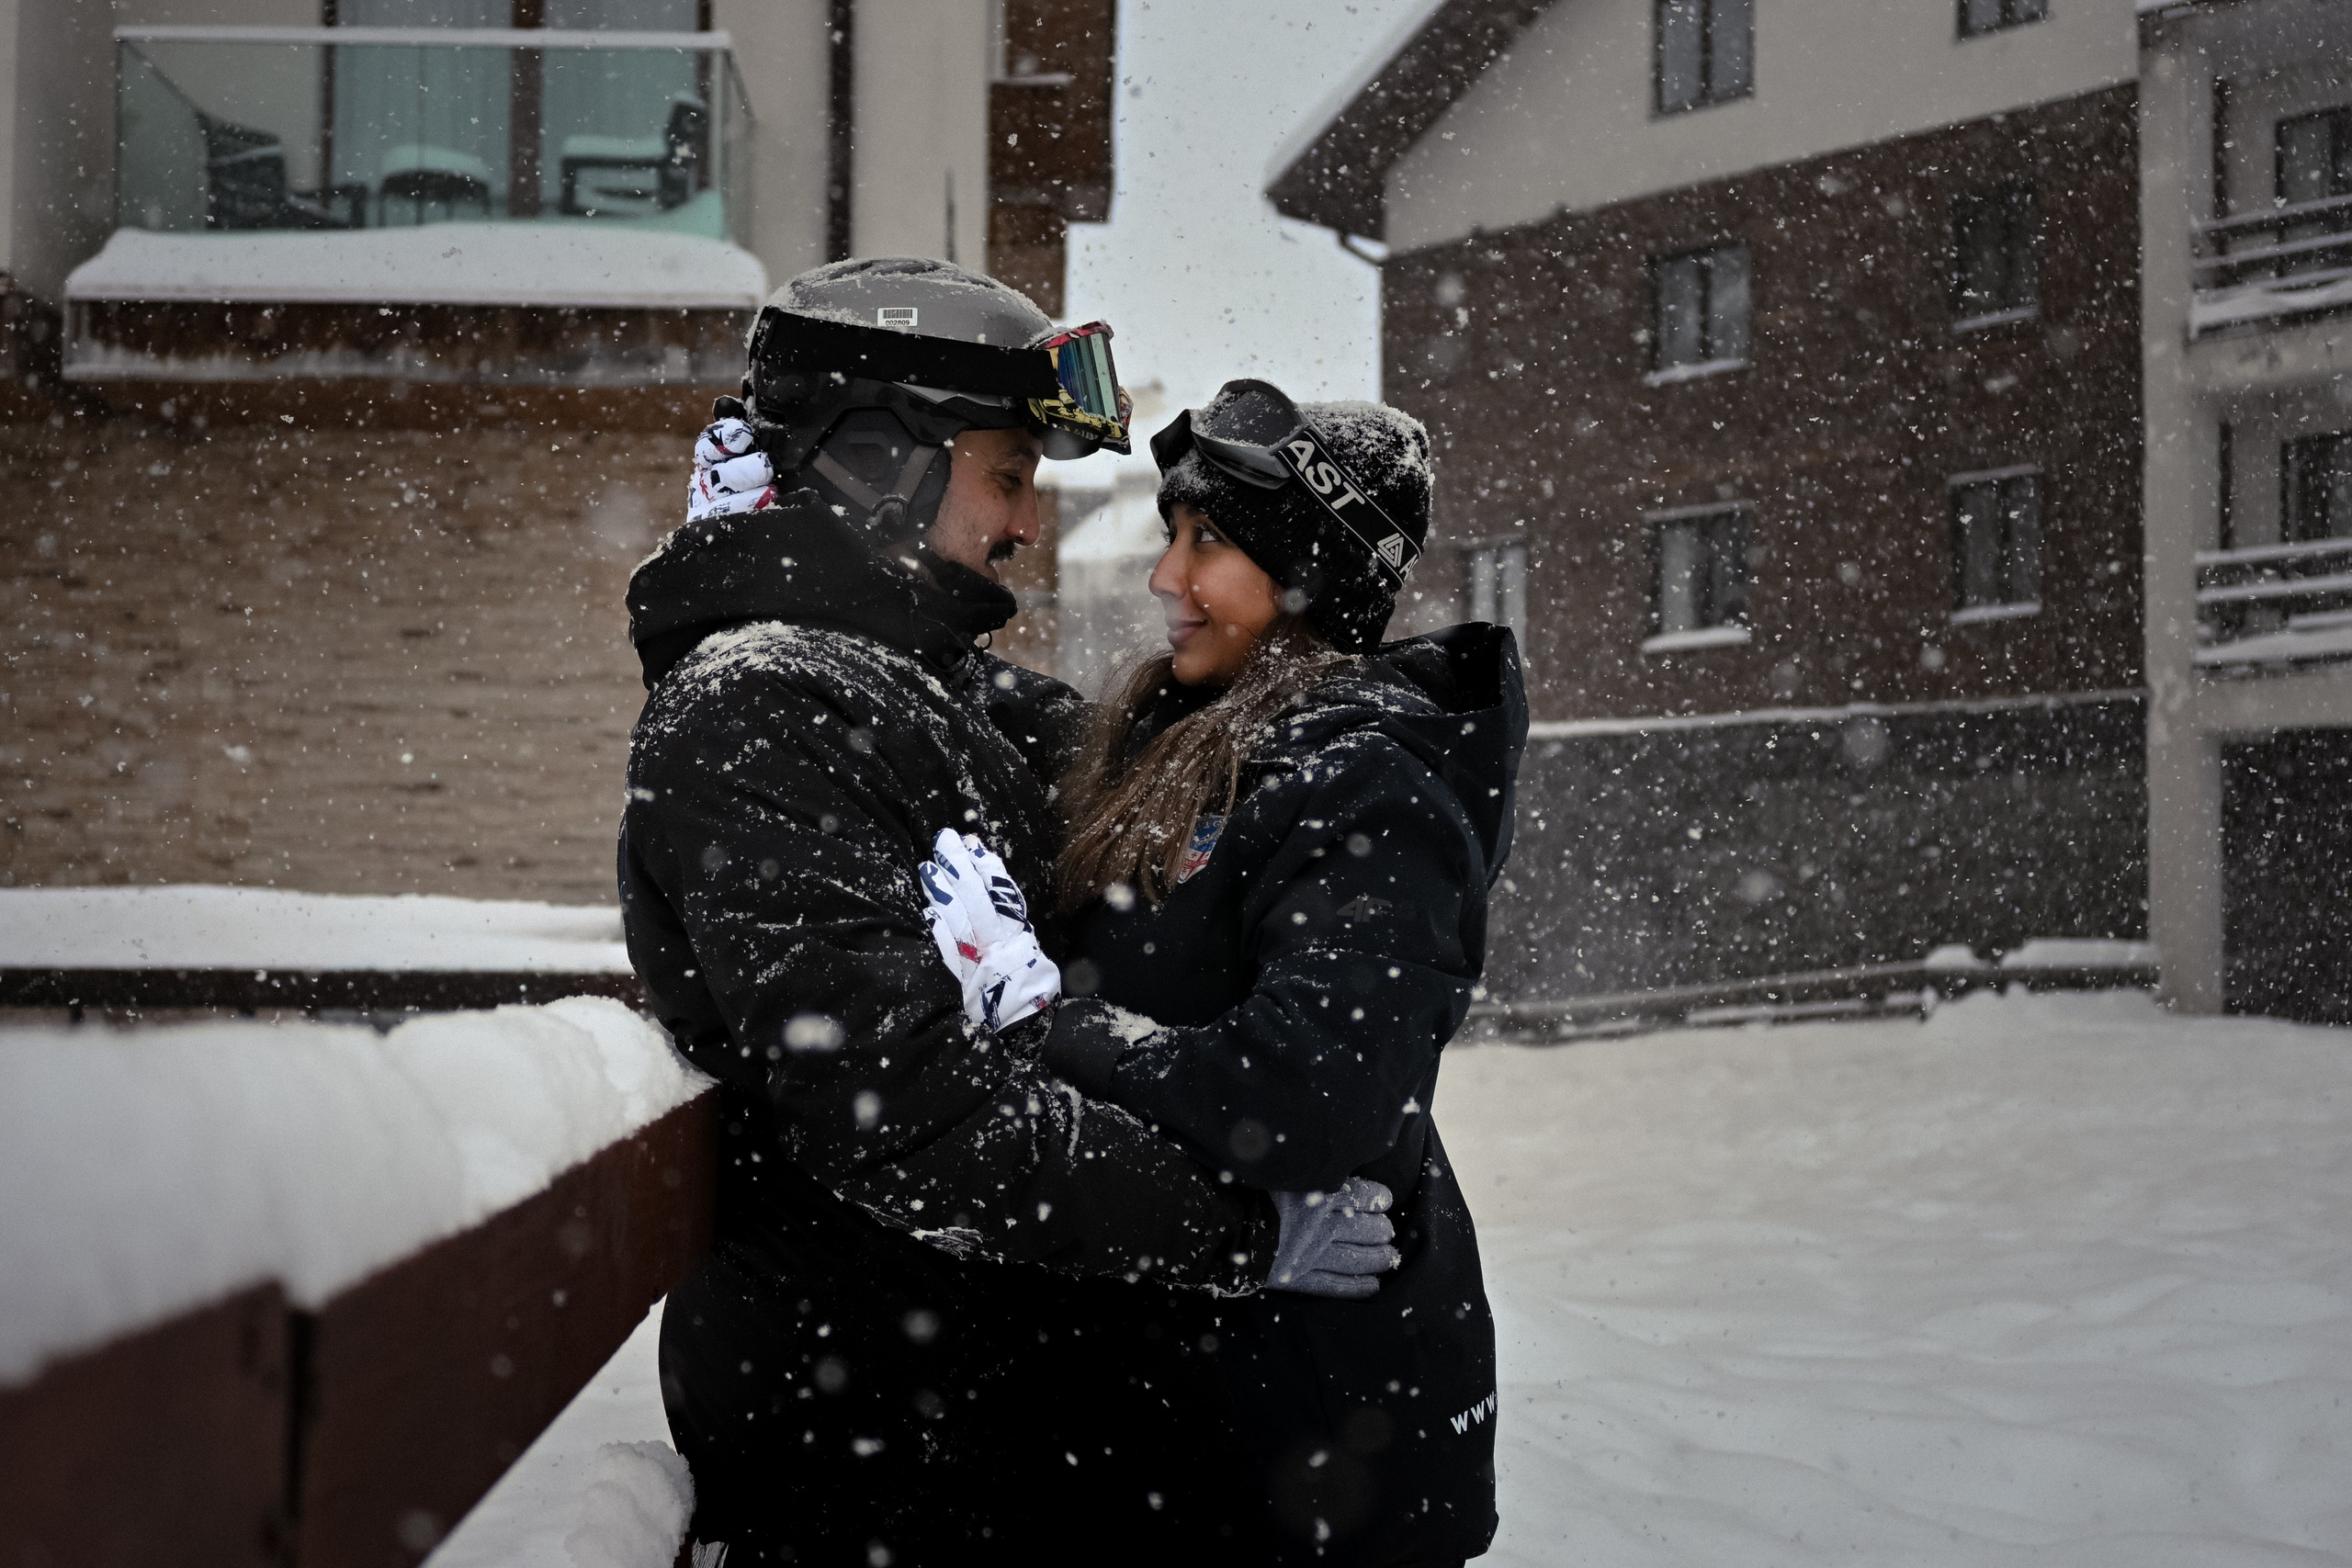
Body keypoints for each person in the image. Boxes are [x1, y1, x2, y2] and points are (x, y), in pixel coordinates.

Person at [619, 265, 1396, 1565]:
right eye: (1007, 474)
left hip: (973, 1431)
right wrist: (1237, 1233)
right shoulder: (765, 715)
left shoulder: (931, 689)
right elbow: (903, 1109)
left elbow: (1173, 771)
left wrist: (1350, 684)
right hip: (862, 1453)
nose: (1030, 522)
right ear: (881, 464)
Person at [1040, 379, 1525, 1563]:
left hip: (1320, 1434)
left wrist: (1053, 1034)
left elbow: (1305, 1095)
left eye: (1210, 542)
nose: (1167, 576)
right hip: (1213, 1414)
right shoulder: (1198, 748)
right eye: (1172, 533)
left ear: (1310, 577)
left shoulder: (1366, 787)